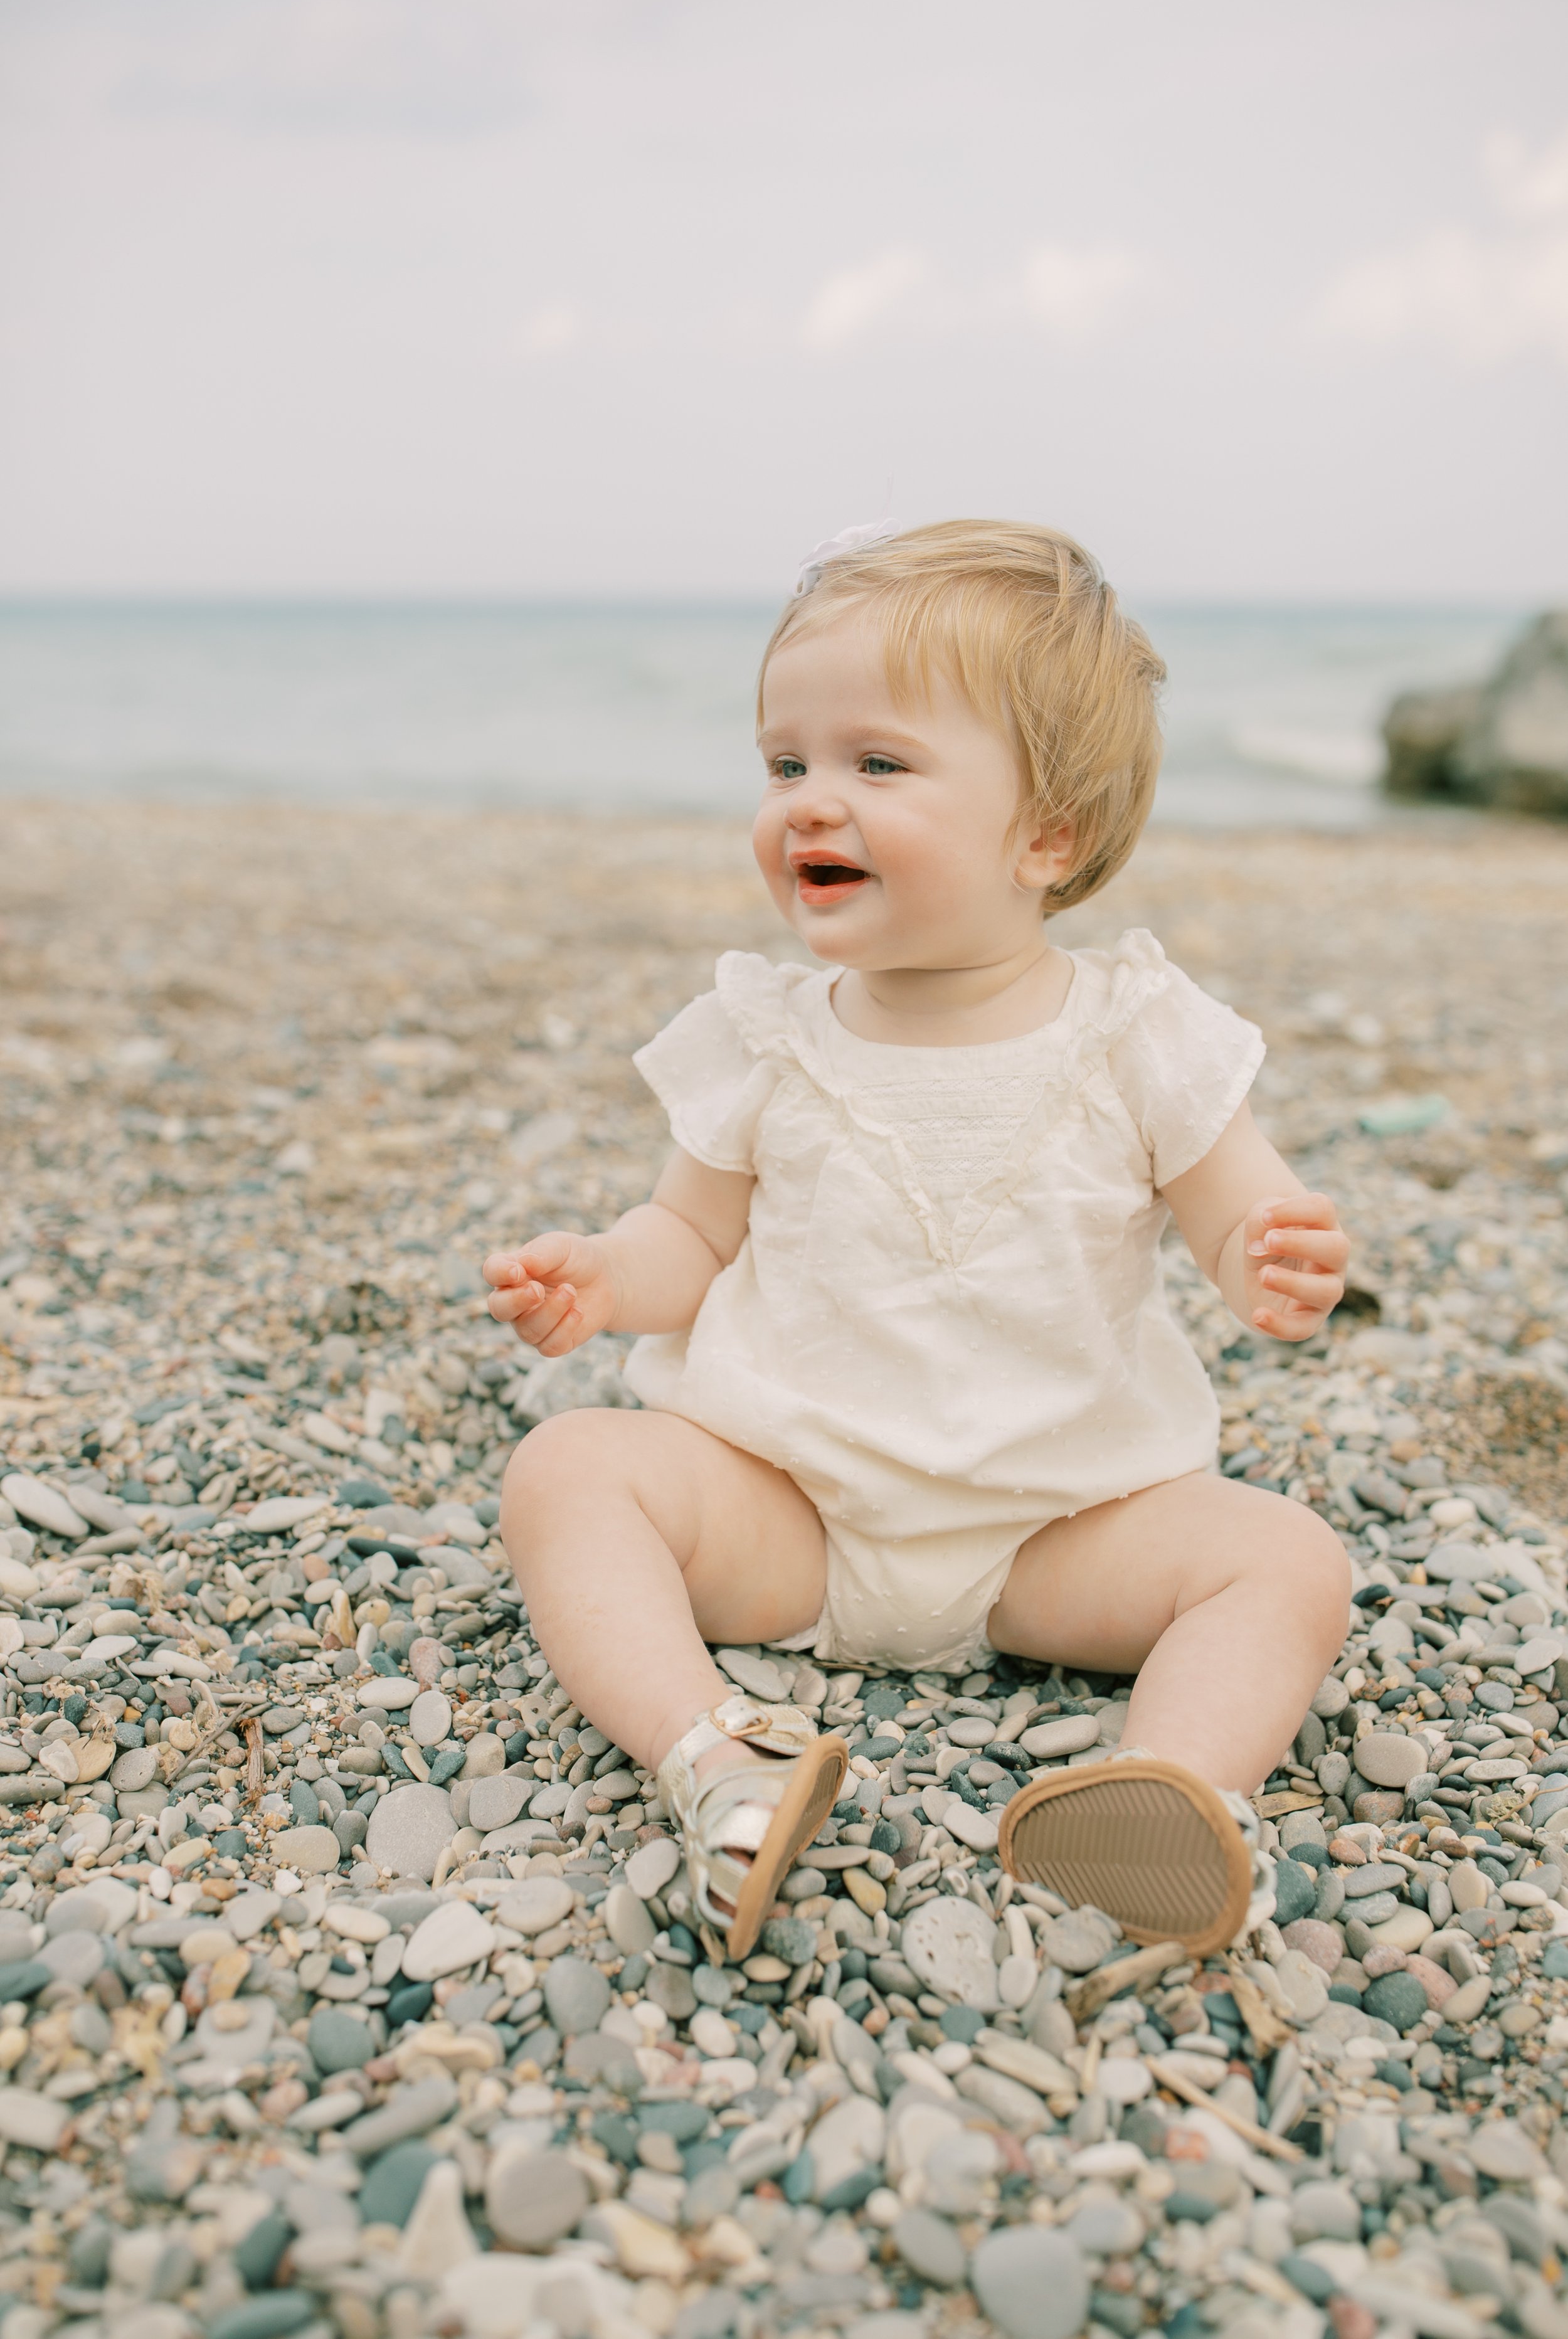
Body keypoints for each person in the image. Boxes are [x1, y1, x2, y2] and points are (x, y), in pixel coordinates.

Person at [484, 519, 1351, 1961]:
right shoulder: (765, 1035)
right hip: (795, 1515)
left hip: (1055, 1535)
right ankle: (708, 1753)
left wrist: (1271, 1252)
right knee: (568, 1471)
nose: (810, 805)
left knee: (1284, 1562)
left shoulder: (1135, 1034)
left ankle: (1171, 1791)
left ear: (1045, 835)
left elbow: (1233, 1207)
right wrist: (603, 1273)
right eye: (784, 765)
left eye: (875, 766)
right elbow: (685, 1239)